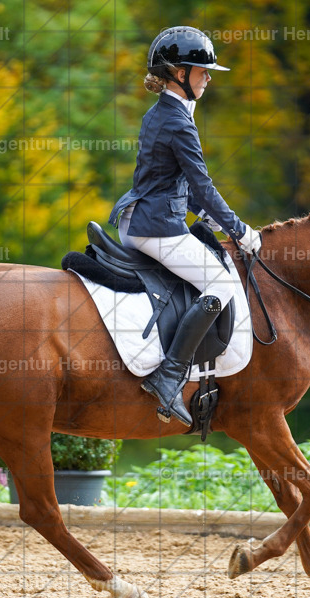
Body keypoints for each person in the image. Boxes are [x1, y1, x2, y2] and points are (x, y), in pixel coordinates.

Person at [109, 26, 261, 426]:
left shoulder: (164, 112)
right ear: (179, 73)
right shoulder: (177, 120)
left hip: (145, 217)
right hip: (156, 227)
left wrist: (206, 217)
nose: (208, 77)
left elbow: (171, 181)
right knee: (221, 285)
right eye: (202, 70)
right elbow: (203, 184)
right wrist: (240, 230)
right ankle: (169, 376)